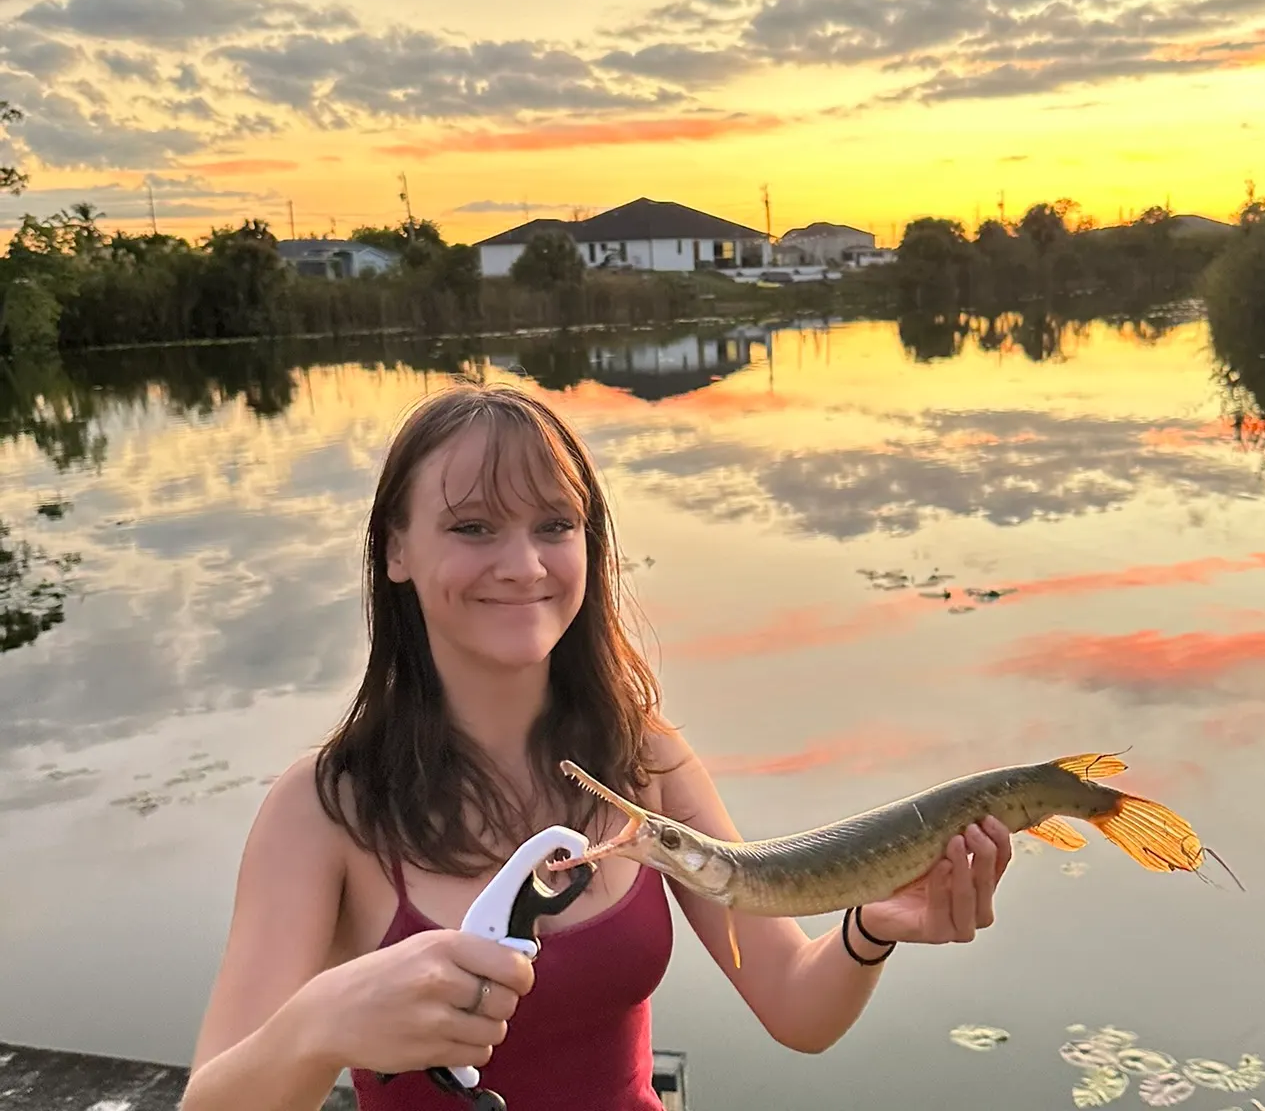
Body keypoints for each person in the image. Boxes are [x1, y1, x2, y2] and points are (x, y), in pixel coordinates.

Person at [182, 381, 1014, 1111]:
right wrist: (318, 1027)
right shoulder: (324, 809)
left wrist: (873, 925)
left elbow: (796, 1009)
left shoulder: (644, 755)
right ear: (396, 549)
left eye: (555, 524)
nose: (523, 564)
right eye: (472, 527)